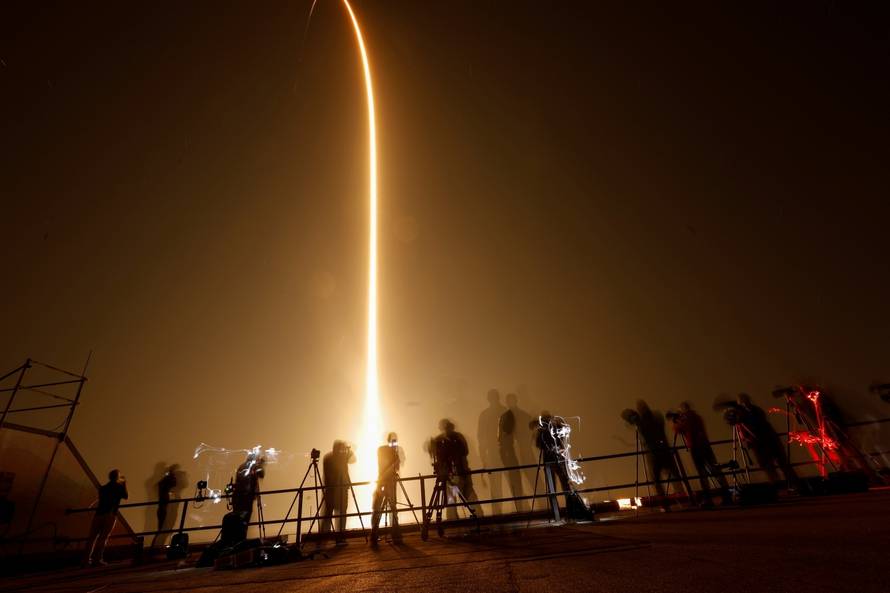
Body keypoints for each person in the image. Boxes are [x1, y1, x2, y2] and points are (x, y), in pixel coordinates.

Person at [670, 402, 730, 506]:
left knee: (702, 474)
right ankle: (727, 495)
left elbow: (677, 429)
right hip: (705, 445)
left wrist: (675, 421)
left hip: (696, 448)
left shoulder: (685, 418)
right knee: (715, 470)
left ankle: (708, 500)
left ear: (682, 409)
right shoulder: (697, 416)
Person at [533, 412, 591, 520]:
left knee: (558, 487)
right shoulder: (553, 429)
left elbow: (540, 445)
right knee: (562, 486)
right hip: (556, 460)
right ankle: (567, 512)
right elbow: (543, 443)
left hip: (552, 461)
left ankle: (562, 513)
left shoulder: (550, 429)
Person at [736, 393, 799, 489]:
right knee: (773, 465)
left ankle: (789, 485)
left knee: (776, 465)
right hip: (765, 441)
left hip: (765, 442)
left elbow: (753, 427)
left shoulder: (747, 414)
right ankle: (788, 485)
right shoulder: (752, 412)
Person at [634, 400, 686, 509]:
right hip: (665, 451)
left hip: (653, 455)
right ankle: (683, 500)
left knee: (657, 481)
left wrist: (636, 421)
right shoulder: (657, 417)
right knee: (675, 477)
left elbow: (644, 436)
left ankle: (665, 504)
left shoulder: (641, 422)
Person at [431, 419, 480, 520]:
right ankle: (478, 516)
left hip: (456, 473)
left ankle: (454, 519)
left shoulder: (444, 440)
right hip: (458, 472)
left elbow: (462, 452)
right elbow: (465, 452)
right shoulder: (457, 437)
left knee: (454, 496)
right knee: (465, 495)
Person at [83, 469, 128, 566]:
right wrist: (124, 483)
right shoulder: (118, 487)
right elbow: (125, 496)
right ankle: (97, 559)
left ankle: (86, 559)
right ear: (117, 477)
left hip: (98, 514)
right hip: (110, 514)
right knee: (103, 538)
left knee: (92, 537)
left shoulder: (103, 488)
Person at [370, 432, 405, 545]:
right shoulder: (383, 450)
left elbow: (397, 467)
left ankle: (379, 535)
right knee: (382, 507)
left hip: (385, 481)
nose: (394, 443)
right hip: (384, 482)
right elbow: (390, 467)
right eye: (393, 441)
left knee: (387, 507)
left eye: (395, 441)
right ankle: (378, 534)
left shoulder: (389, 451)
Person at [477, 389, 506, 514]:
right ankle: (500, 509)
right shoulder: (504, 412)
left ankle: (497, 510)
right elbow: (481, 436)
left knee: (496, 482)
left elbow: (481, 436)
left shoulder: (486, 414)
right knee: (499, 482)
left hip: (497, 451)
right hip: (500, 451)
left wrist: (483, 454)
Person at [321, 440, 355, 544]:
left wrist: (348, 452)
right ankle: (335, 537)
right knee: (333, 514)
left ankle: (327, 537)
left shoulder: (330, 458)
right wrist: (348, 452)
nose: (342, 451)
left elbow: (353, 460)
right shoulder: (331, 458)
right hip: (334, 489)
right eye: (342, 448)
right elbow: (352, 460)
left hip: (338, 489)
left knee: (335, 514)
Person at [499, 393, 528, 512]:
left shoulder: (517, 415)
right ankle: (520, 507)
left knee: (517, 480)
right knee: (515, 480)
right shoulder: (508, 416)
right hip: (511, 453)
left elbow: (502, 436)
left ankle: (521, 506)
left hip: (517, 452)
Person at [150, 464, 179, 549]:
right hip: (166, 509)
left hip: (163, 508)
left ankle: (156, 547)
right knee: (164, 528)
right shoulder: (167, 483)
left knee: (162, 528)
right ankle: (156, 547)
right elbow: (174, 484)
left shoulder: (162, 483)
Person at [232, 451, 265, 524]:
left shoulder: (242, 466)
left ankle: (239, 534)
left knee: (238, 521)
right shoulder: (253, 467)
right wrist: (261, 464)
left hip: (238, 498)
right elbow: (261, 474)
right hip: (246, 498)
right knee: (244, 521)